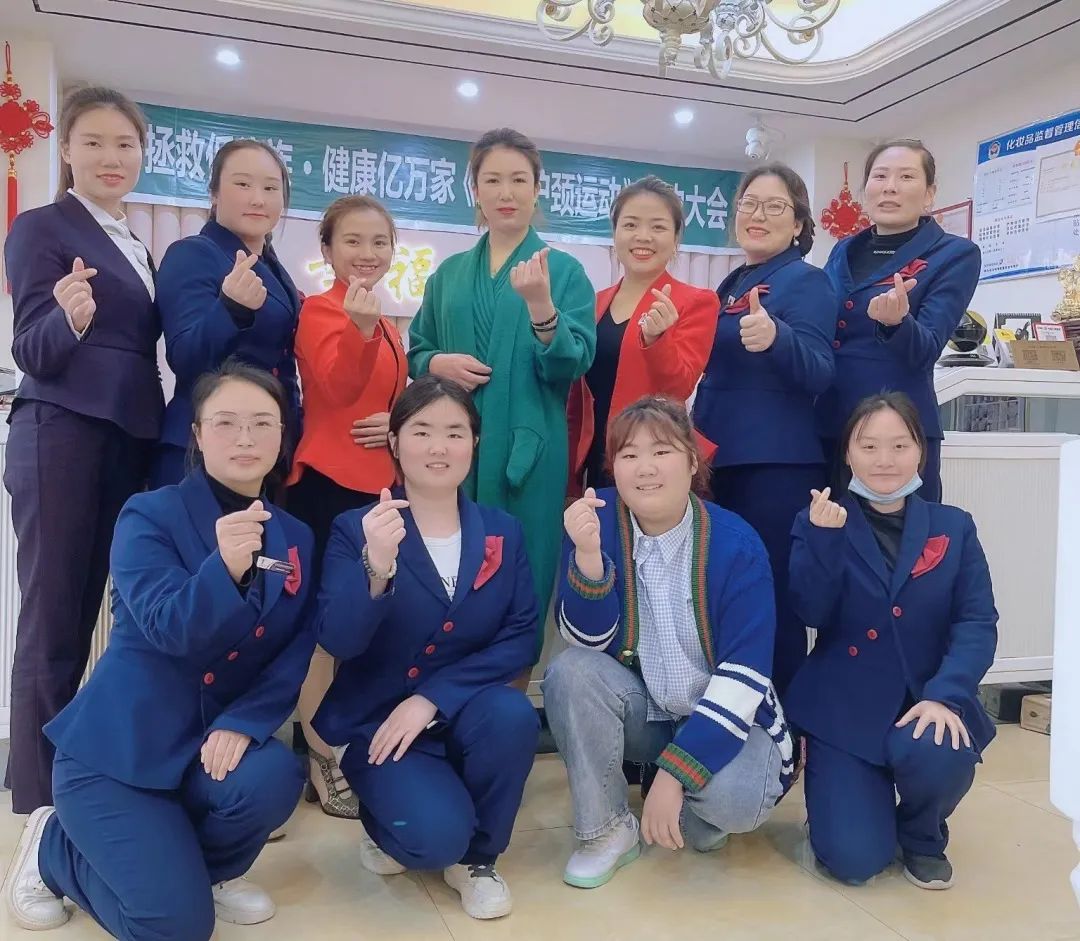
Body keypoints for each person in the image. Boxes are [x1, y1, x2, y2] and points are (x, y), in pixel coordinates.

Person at [3, 361, 316, 938]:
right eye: (225, 422)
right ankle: (52, 848)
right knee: (174, 928)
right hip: (117, 756)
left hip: (201, 753)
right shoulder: (149, 514)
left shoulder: (295, 536)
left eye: (261, 423)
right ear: (197, 434)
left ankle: (204, 872)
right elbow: (167, 627)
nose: (245, 438)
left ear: (282, 435)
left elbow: (295, 648)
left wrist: (246, 720)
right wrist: (224, 569)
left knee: (272, 775)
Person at [544, 396, 794, 889]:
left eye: (662, 451)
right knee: (569, 672)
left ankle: (692, 804)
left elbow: (744, 678)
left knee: (736, 803)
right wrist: (588, 557)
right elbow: (585, 643)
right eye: (629, 454)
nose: (645, 468)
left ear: (693, 461)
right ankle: (607, 831)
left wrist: (675, 775)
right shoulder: (595, 523)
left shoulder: (736, 543)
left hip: (730, 718)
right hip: (650, 711)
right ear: (614, 467)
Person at [313, 376, 539, 921]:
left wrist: (433, 697)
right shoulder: (355, 529)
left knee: (513, 715)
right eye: (422, 431)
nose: (439, 447)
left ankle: (479, 860)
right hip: (380, 726)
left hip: (467, 713)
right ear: (394, 441)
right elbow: (337, 639)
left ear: (474, 443)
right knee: (434, 840)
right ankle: (389, 822)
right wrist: (376, 567)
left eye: (455, 433)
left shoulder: (503, 532)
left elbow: (521, 635)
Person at [2, 86, 163, 814]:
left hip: (126, 437)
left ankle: (79, 775)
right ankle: (39, 801)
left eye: (124, 144)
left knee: (99, 612)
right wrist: (68, 319)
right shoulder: (42, 227)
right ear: (65, 149)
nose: (110, 156)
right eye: (93, 142)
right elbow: (30, 349)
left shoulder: (136, 243)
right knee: (54, 617)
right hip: (61, 431)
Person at [785, 392, 997, 890]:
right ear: (848, 453)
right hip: (844, 710)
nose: (885, 460)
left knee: (940, 746)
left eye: (899, 445)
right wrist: (823, 541)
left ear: (920, 451)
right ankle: (849, 806)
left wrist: (945, 695)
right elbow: (810, 611)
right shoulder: (819, 519)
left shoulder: (954, 527)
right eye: (869, 446)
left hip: (922, 699)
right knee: (855, 861)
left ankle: (923, 835)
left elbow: (976, 622)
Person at [407, 127, 596, 646]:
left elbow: (573, 363)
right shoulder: (448, 275)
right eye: (492, 180)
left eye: (518, 180)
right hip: (453, 450)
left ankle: (508, 688)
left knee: (522, 575)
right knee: (445, 573)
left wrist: (541, 307)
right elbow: (418, 349)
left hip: (529, 453)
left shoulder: (565, 271)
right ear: (475, 190)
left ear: (537, 190)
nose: (505, 193)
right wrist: (437, 361)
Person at [691, 163, 836, 695]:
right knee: (725, 593)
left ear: (798, 223)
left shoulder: (807, 281)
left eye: (775, 207)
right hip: (718, 460)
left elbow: (820, 370)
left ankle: (782, 721)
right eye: (749, 204)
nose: (758, 215)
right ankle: (730, 710)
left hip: (774, 466)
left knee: (771, 594)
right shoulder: (732, 282)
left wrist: (777, 338)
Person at [287, 195, 408, 819]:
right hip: (329, 488)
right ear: (328, 251)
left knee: (369, 627)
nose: (367, 253)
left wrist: (396, 421)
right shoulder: (321, 310)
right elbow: (336, 386)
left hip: (380, 488)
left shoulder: (384, 320)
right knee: (325, 632)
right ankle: (321, 758)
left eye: (379, 242)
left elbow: (385, 397)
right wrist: (360, 333)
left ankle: (353, 748)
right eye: (353, 241)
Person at [815, 140, 982, 502]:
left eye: (906, 176)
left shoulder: (955, 254)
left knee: (904, 535)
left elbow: (927, 348)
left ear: (929, 194)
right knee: (829, 530)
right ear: (866, 190)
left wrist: (896, 323)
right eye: (880, 176)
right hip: (830, 423)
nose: (890, 186)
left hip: (897, 433)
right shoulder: (844, 249)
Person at [152, 138, 301, 488]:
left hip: (263, 446)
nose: (258, 199)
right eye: (243, 184)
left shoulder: (274, 267)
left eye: (270, 188)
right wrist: (230, 308)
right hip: (201, 447)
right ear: (214, 193)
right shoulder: (192, 254)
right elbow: (185, 356)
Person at [566, 175, 718, 494]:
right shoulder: (593, 303)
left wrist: (657, 340)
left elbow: (679, 387)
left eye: (658, 227)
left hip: (650, 460)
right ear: (615, 233)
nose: (643, 237)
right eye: (631, 225)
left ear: (676, 238)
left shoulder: (695, 301)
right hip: (591, 456)